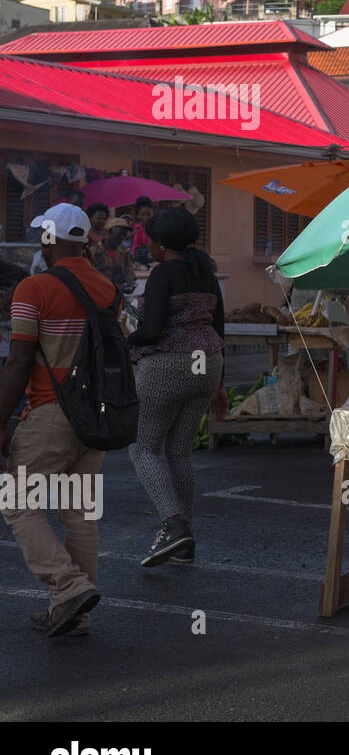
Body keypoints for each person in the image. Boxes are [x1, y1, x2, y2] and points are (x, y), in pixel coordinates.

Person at [0, 204, 117, 637]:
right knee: (80, 513)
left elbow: (18, 362)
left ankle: (68, 588)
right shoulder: (106, 287)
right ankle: (75, 615)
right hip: (95, 418)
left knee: (16, 502)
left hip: (51, 413)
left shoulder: (34, 288)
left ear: (50, 239)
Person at [127, 208, 225, 567]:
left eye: (150, 239)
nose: (148, 245)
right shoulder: (207, 274)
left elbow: (151, 331)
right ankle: (185, 542)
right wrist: (220, 383)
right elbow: (219, 327)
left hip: (167, 365)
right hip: (207, 365)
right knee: (180, 452)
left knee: (144, 450)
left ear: (162, 244)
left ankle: (174, 526)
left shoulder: (162, 273)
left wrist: (127, 338)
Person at [130, 197, 154, 265]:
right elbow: (134, 244)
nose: (146, 217)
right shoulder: (135, 227)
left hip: (151, 257)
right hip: (136, 258)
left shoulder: (155, 228)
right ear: (138, 216)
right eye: (143, 215)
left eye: (148, 215)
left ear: (153, 214)